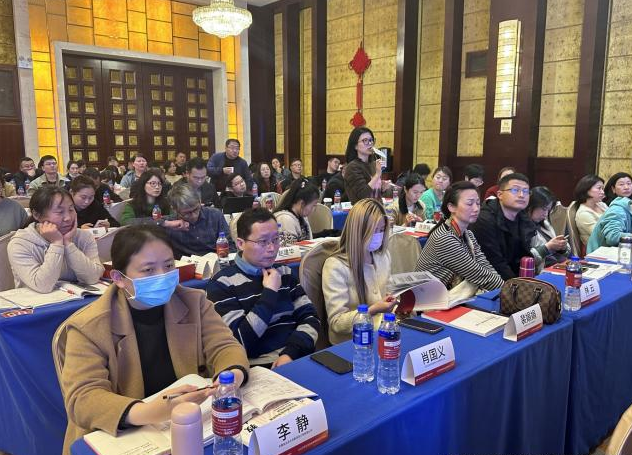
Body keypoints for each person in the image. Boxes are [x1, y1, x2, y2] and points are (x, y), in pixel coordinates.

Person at [59, 225, 249, 455]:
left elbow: (224, 346)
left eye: (168, 266)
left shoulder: (193, 301)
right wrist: (151, 411)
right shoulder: (89, 326)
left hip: (187, 424)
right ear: (119, 278)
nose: (162, 276)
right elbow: (83, 398)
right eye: (148, 270)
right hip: (122, 434)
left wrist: (229, 380)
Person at [207, 208, 320, 367]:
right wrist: (270, 293)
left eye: (276, 239)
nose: (272, 248)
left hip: (296, 357)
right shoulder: (222, 283)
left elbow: (311, 319)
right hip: (258, 366)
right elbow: (238, 341)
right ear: (240, 243)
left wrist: (290, 353)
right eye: (263, 242)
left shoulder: (285, 272)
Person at [322, 199, 396, 344]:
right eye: (374, 230)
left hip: (382, 332)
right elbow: (337, 323)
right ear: (359, 231)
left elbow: (389, 292)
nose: (379, 235)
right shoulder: (336, 266)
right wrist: (373, 310)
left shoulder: (382, 256)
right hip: (352, 342)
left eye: (381, 230)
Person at [7, 186, 104, 293]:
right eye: (59, 212)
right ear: (36, 215)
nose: (68, 218)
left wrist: (68, 243)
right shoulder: (20, 243)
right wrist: (57, 243)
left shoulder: (84, 237)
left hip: (78, 300)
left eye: (71, 209)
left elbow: (93, 278)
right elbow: (43, 286)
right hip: (37, 302)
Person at [415, 181, 503, 292]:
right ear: (451, 207)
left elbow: (484, 265)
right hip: (427, 298)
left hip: (447, 294)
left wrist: (504, 289)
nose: (476, 208)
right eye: (470, 204)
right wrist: (508, 291)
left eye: (478, 203)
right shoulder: (445, 238)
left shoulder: (468, 234)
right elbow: (478, 274)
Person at [470, 172, 537, 280]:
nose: (521, 195)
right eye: (515, 190)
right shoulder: (484, 220)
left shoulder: (523, 217)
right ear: (500, 194)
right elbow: (494, 262)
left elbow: (524, 256)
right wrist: (516, 285)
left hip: (514, 278)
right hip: (488, 280)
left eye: (526, 191)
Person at [167, 183, 232, 259]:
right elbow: (153, 223)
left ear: (200, 201)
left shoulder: (215, 215)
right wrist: (167, 224)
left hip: (215, 260)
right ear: (175, 209)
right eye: (187, 213)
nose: (194, 215)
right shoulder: (170, 222)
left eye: (196, 209)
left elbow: (230, 245)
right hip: (186, 263)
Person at [120, 170, 186, 231]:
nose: (157, 187)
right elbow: (126, 222)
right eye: (153, 183)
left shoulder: (166, 202)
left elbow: (175, 216)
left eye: (159, 184)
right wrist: (162, 222)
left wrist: (159, 221)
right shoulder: (133, 204)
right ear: (143, 185)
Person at [527, 186, 570, 271]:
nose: (546, 214)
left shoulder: (544, 223)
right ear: (531, 205)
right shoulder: (523, 227)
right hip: (541, 272)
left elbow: (566, 253)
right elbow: (525, 260)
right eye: (544, 209)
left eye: (548, 210)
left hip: (558, 266)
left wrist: (562, 247)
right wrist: (548, 247)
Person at [343, 127, 389, 204]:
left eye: (371, 140)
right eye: (365, 140)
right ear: (355, 146)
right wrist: (377, 175)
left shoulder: (373, 164)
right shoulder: (352, 167)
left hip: (377, 208)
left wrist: (382, 188)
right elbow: (363, 195)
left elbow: (375, 194)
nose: (370, 143)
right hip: (362, 210)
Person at [274, 178, 319, 245]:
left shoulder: (301, 215)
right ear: (302, 203)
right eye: (313, 205)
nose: (314, 209)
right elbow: (290, 249)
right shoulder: (285, 219)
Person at [574, 175, 607, 246]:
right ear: (586, 190)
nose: (602, 192)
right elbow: (602, 235)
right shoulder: (583, 213)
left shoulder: (601, 205)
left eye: (603, 189)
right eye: (599, 188)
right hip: (596, 248)